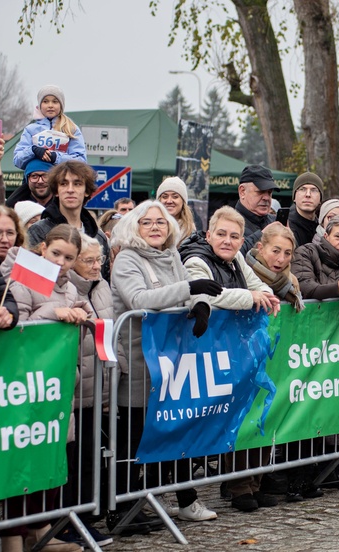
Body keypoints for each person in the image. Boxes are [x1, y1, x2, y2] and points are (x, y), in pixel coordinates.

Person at [109, 201, 223, 530]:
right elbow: (139, 300)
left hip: (171, 363)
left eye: (161, 221)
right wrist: (190, 289)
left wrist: (201, 305)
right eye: (147, 222)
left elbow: (190, 287)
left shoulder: (172, 253)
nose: (156, 226)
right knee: (134, 438)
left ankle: (162, 498)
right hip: (137, 360)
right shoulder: (128, 259)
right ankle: (124, 507)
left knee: (170, 430)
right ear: (135, 227)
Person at [180, 207, 281, 513]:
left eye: (234, 236)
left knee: (246, 417)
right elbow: (210, 296)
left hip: (235, 353)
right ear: (209, 234)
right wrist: (250, 299)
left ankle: (248, 483)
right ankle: (190, 497)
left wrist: (261, 294)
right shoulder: (196, 259)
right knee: (197, 427)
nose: (227, 241)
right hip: (201, 355)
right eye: (221, 234)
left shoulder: (236, 259)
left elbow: (259, 285)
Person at [0, 224, 90, 552]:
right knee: (21, 465)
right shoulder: (23, 280)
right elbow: (16, 328)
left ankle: (42, 530)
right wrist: (54, 312)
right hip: (24, 387)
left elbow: (84, 314)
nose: (62, 262)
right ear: (41, 250)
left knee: (51, 462)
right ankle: (12, 536)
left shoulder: (68, 288)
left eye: (69, 257)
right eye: (56, 254)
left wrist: (82, 313)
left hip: (57, 387)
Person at [62, 233, 116, 546]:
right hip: (75, 390)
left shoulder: (103, 286)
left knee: (90, 460)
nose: (96, 266)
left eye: (99, 260)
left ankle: (84, 519)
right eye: (89, 261)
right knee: (72, 462)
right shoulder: (69, 290)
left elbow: (112, 338)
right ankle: (67, 522)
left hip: (99, 389)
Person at [27, 161, 110, 280]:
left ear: (86, 191)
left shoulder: (99, 237)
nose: (70, 190)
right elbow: (30, 279)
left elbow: (103, 281)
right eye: (64, 184)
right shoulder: (39, 231)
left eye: (77, 184)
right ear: (56, 191)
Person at [13, 85, 87, 170]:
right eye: (45, 101)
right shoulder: (30, 130)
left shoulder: (71, 129)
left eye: (55, 102)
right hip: (36, 180)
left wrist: (56, 157)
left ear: (61, 105)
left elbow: (81, 162)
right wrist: (33, 150)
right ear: (40, 105)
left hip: (61, 180)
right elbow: (17, 160)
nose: (50, 105)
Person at [245, 222, 305, 312]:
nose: (281, 259)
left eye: (287, 253)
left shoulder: (293, 282)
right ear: (260, 248)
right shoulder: (244, 273)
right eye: (276, 251)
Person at [236, 165, 278, 251]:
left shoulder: (276, 222)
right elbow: (233, 256)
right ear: (242, 191)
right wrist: (262, 235)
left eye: (269, 192)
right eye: (260, 192)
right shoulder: (228, 223)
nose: (266, 198)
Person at [156, 176, 197, 245]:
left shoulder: (191, 233)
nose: (169, 201)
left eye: (175, 197)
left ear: (183, 201)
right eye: (165, 197)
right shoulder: (148, 228)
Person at [288, 172, 324, 248]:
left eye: (314, 190)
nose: (308, 194)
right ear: (294, 197)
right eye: (302, 189)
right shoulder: (286, 225)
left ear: (320, 199)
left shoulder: (323, 226)